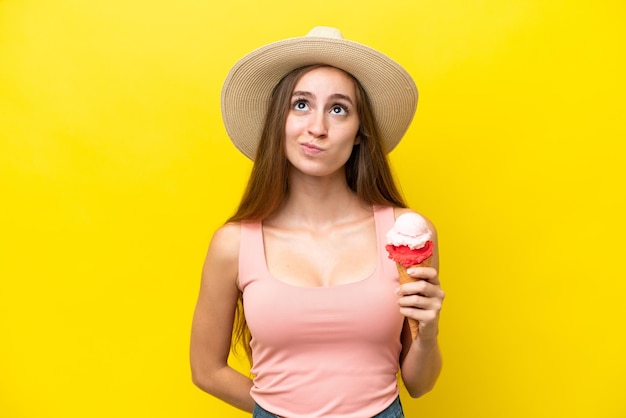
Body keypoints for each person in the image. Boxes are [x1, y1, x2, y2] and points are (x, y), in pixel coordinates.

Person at [190, 26, 445, 418]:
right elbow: (206, 370)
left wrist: (428, 334)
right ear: (279, 120)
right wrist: (276, 411)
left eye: (338, 108)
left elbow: (419, 384)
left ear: (360, 133)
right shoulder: (234, 244)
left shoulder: (404, 233)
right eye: (301, 105)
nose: (318, 128)